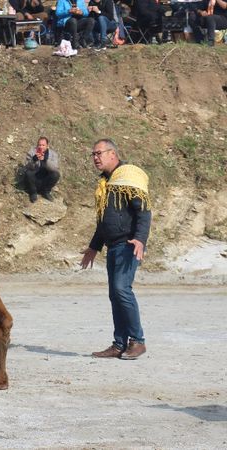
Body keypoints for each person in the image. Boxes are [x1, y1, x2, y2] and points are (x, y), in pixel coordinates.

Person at [80, 138, 151, 360]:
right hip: (112, 246)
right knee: (115, 295)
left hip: (128, 244)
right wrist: (94, 247)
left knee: (122, 290)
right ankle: (119, 344)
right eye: (93, 154)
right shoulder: (106, 183)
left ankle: (137, 341)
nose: (95, 158)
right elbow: (105, 221)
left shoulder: (129, 177)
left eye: (99, 153)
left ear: (113, 154)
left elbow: (144, 212)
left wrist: (140, 239)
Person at [23, 136, 61, 203]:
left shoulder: (53, 154)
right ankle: (33, 193)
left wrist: (45, 160)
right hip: (34, 179)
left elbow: (55, 168)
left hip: (45, 179)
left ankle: (45, 192)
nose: (41, 147)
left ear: (47, 146)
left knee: (56, 174)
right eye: (39, 145)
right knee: (28, 173)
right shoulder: (32, 152)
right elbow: (26, 166)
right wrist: (33, 160)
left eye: (43, 145)